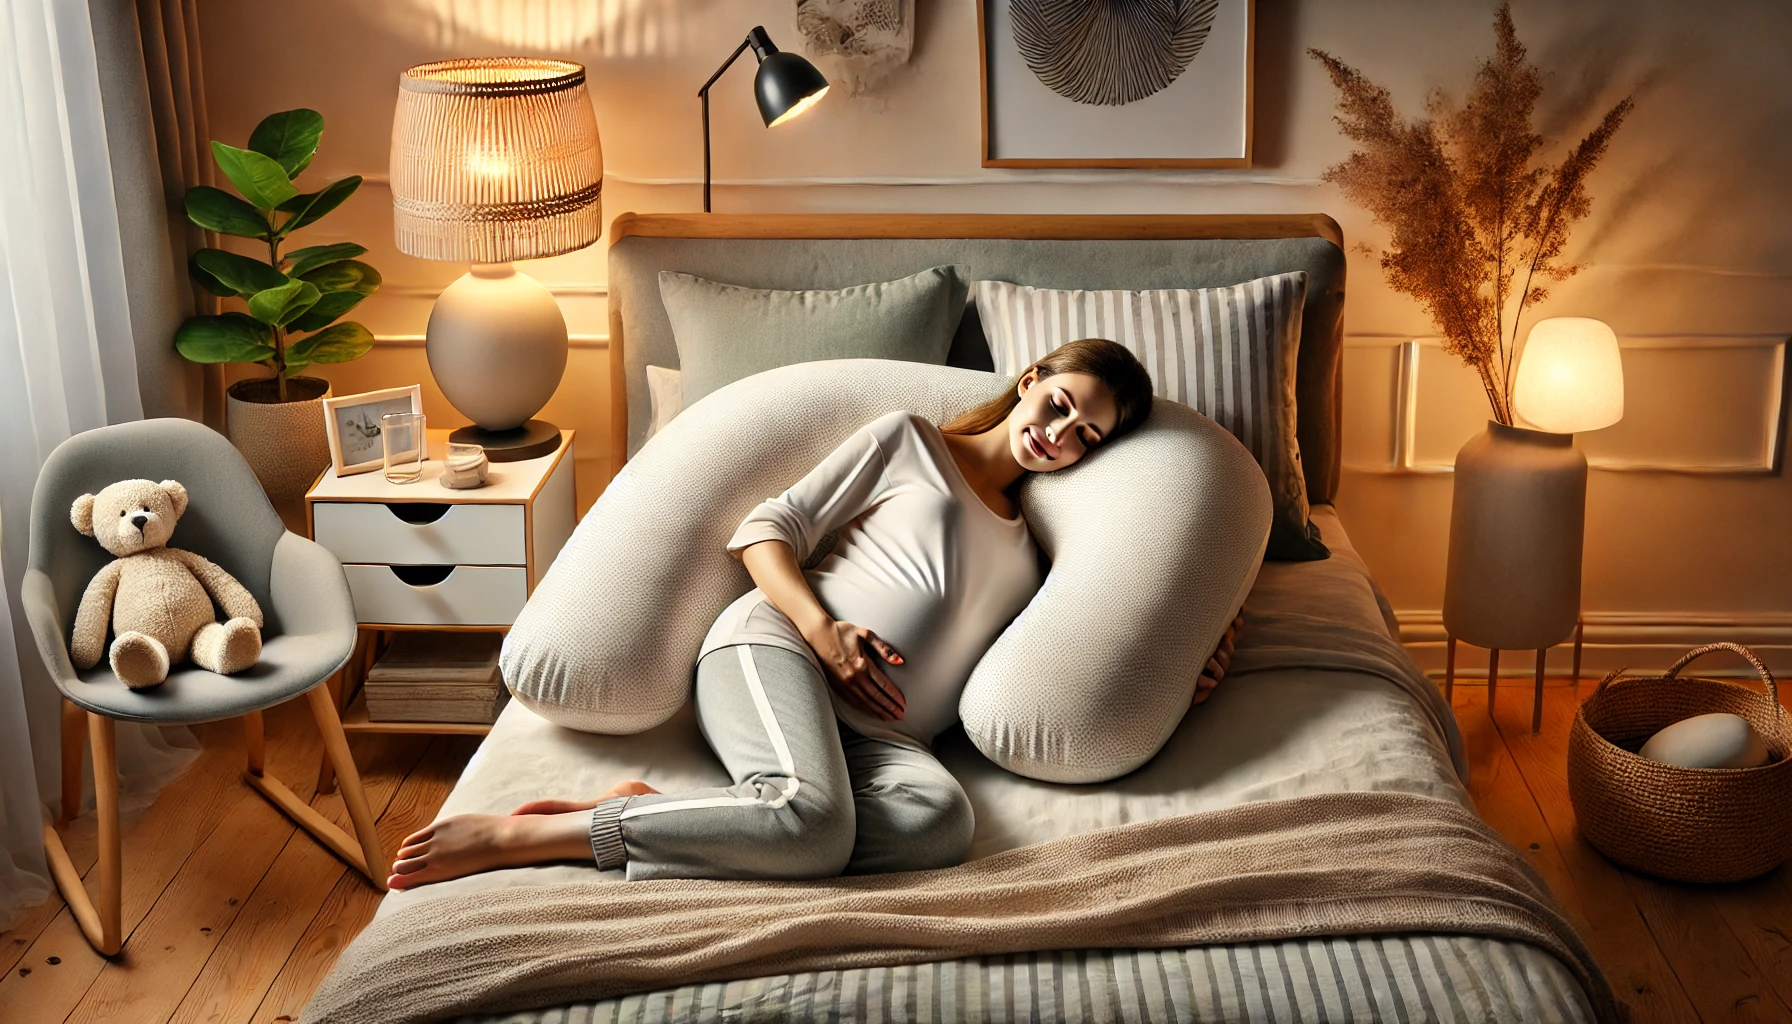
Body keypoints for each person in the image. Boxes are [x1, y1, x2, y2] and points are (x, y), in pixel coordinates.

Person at [386, 339, 1241, 889]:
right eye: (1061, 405)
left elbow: (1069, 650)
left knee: (941, 824)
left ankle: (714, 820)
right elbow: (764, 530)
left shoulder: (1032, 549)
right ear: (1031, 382)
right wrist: (821, 630)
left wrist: (1186, 668)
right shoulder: (911, 441)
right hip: (776, 649)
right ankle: (527, 836)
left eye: (1087, 435)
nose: (1061, 435)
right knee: (817, 826)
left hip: (887, 740)